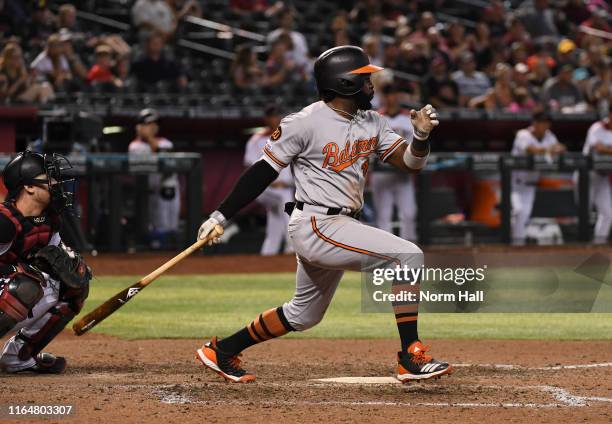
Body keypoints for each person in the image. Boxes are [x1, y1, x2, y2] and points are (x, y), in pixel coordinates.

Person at [195, 46, 451, 383]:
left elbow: (410, 164)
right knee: (407, 256)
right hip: (316, 222)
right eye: (365, 78)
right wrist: (219, 216)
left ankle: (222, 349)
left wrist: (420, 137)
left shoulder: (372, 122)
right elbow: (262, 172)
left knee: (304, 314)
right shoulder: (305, 122)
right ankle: (410, 356)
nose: (372, 84)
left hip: (339, 223)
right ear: (345, 83)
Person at [0, 151, 91, 373]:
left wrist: (70, 264)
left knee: (73, 286)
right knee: (23, 285)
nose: (56, 184)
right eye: (49, 178)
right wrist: (13, 270)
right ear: (29, 187)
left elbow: (56, 258)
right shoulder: (4, 221)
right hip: (9, 289)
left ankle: (19, 357)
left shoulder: (50, 221)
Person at [243, 106, 294, 255]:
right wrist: (270, 181)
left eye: (279, 115)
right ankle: (292, 244)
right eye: (273, 116)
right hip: (263, 188)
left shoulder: (289, 137)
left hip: (285, 188)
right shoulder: (256, 140)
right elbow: (251, 169)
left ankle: (267, 254)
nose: (277, 118)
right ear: (266, 119)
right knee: (284, 198)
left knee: (276, 220)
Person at [511, 111, 566, 245]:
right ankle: (514, 245)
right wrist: (549, 149)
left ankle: (517, 246)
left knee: (523, 215)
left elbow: (561, 148)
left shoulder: (549, 136)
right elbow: (531, 149)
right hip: (514, 183)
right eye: (541, 122)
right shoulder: (523, 134)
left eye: (547, 123)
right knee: (518, 212)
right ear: (534, 123)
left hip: (530, 184)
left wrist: (555, 148)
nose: (545, 126)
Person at [370, 83, 417, 240]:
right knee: (384, 215)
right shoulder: (376, 118)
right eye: (389, 94)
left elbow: (414, 146)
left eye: (395, 93)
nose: (392, 97)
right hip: (381, 172)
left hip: (402, 172)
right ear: (384, 97)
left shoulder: (409, 118)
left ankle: (409, 252)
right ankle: (387, 254)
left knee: (409, 213)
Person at [128, 109, 180, 249]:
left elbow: (163, 153)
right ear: (139, 127)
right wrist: (148, 139)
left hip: (168, 190)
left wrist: (150, 139)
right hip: (149, 193)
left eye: (154, 124)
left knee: (172, 224)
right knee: (157, 226)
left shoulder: (166, 143)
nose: (152, 127)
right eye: (148, 124)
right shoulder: (134, 146)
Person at [581, 106, 612, 244]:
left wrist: (607, 149)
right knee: (584, 211)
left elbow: (604, 148)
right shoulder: (597, 127)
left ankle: (598, 245)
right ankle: (579, 248)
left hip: (603, 176)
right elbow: (597, 147)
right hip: (587, 174)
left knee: (608, 214)